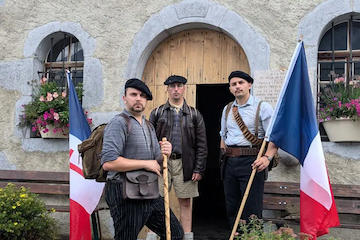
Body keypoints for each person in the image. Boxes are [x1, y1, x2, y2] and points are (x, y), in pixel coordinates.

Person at [101, 78, 184, 240]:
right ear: (124, 98)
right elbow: (109, 162)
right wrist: (146, 163)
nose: (138, 98)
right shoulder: (118, 123)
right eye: (133, 94)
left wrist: (165, 153)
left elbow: (156, 161)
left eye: (142, 96)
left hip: (148, 190)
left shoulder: (148, 126)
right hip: (123, 190)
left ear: (146, 100)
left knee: (175, 233)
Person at [149, 75, 207, 240]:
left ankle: (186, 237)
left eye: (179, 86)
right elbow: (149, 141)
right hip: (161, 164)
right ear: (167, 89)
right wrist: (153, 162)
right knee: (155, 202)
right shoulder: (157, 113)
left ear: (184, 89)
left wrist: (199, 168)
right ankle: (153, 237)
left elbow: (202, 145)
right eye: (172, 86)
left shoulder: (194, 115)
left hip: (185, 164)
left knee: (185, 203)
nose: (176, 89)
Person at [219, 71, 278, 231]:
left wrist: (267, 158)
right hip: (230, 163)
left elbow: (274, 136)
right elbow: (223, 136)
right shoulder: (227, 109)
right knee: (233, 208)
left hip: (252, 162)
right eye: (233, 84)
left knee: (252, 209)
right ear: (230, 89)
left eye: (241, 83)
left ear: (249, 85)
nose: (237, 86)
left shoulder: (262, 107)